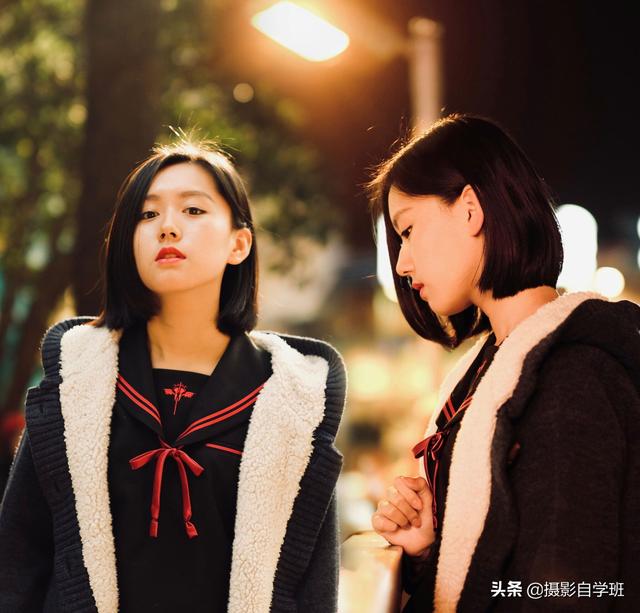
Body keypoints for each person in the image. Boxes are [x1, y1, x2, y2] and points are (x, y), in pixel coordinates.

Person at [0, 140, 346, 612]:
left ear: (239, 244)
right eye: (147, 214)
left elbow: (313, 587)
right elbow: (18, 561)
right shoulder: (77, 383)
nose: (167, 226)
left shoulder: (291, 402)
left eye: (193, 210)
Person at [368, 113, 640, 612]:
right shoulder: (494, 370)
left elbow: (569, 593)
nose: (402, 264)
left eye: (408, 230)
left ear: (471, 210)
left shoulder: (572, 378)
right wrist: (431, 549)